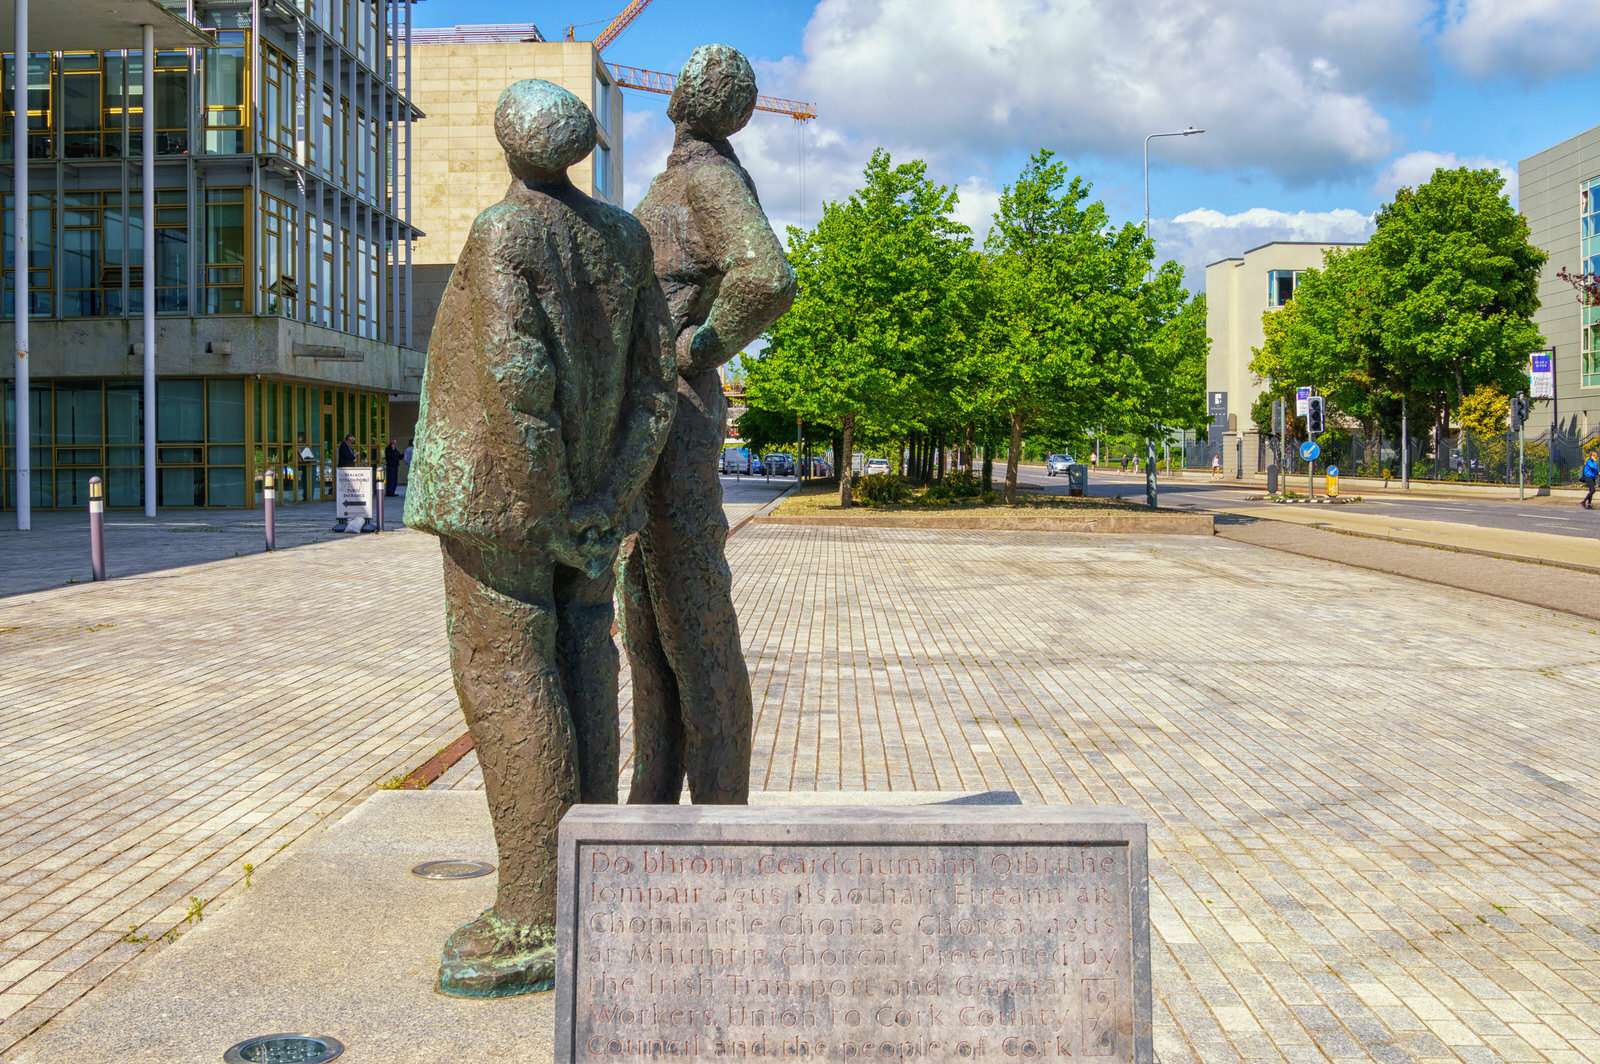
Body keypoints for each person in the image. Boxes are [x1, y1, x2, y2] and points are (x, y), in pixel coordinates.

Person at [403, 78, 675, 997]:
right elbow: (654, 383)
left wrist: (560, 505)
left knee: (508, 678)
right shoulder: (625, 236)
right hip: (588, 505)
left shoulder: (505, 232)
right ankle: (585, 881)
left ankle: (533, 910)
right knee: (583, 666)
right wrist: (611, 497)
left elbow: (519, 381)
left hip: (510, 505)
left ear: (509, 146)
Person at [622, 44, 798, 806]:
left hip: (677, 415)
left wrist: (694, 348)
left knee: (692, 609)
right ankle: (654, 792)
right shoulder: (679, 176)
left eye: (699, 76)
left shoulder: (711, 179)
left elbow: (767, 277)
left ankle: (721, 806)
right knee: (644, 614)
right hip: (647, 421)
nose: (687, 79)